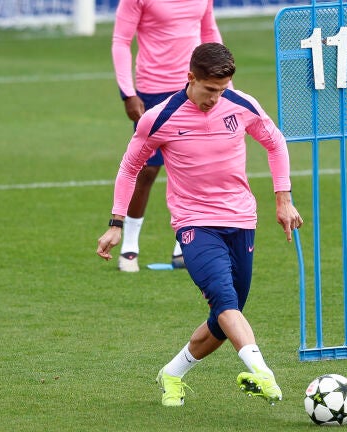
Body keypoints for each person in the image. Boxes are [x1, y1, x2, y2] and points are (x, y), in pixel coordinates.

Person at [97, 43, 304, 407]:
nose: (215, 99)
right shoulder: (159, 117)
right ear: (190, 77)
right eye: (210, 90)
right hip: (195, 223)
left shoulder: (241, 105)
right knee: (225, 301)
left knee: (226, 317)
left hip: (241, 220)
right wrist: (116, 223)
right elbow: (129, 167)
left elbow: (275, 143)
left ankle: (172, 374)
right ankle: (262, 371)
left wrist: (282, 198)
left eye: (222, 90)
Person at [111, 0, 226, 272]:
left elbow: (209, 33)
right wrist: (128, 93)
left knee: (194, 168)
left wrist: (225, 85)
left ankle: (184, 247)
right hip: (152, 92)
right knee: (147, 169)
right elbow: (121, 41)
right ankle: (129, 247)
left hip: (193, 89)